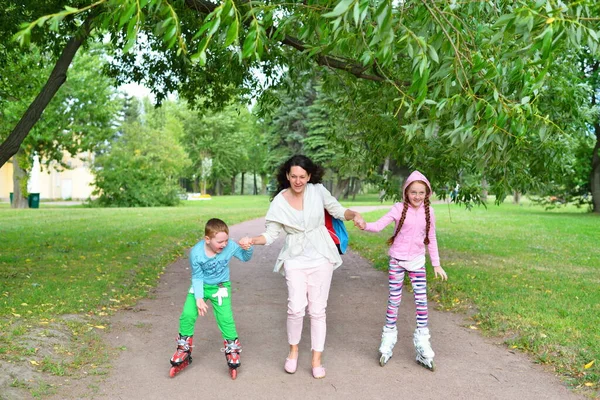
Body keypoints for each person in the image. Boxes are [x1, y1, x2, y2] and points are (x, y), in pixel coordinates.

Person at [239, 155, 364, 379]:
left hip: (321, 255)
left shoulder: (317, 191)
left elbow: (338, 210)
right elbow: (270, 234)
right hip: (295, 258)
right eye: (294, 176)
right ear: (287, 176)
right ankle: (293, 352)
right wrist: (252, 240)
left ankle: (316, 359)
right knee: (296, 308)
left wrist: (354, 214)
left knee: (318, 310)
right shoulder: (279, 201)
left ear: (309, 176)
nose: (298, 181)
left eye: (302, 177)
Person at [357, 170, 448, 370]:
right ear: (406, 192)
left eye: (421, 193)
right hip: (397, 261)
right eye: (413, 192)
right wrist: (365, 225)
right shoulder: (398, 209)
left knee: (421, 301)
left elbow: (431, 238)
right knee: (394, 299)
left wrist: (436, 263)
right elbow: (379, 225)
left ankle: (423, 342)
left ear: (427, 193)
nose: (417, 196)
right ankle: (388, 338)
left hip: (417, 261)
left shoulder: (429, 212)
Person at [169, 218, 254, 379]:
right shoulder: (196, 253)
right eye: (220, 241)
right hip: (200, 285)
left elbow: (245, 257)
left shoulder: (229, 247)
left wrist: (248, 248)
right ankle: (184, 348)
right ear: (207, 239)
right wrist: (199, 298)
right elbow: (197, 276)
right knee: (187, 314)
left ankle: (232, 348)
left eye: (226, 240)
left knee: (225, 318)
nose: (224, 244)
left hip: (221, 287)